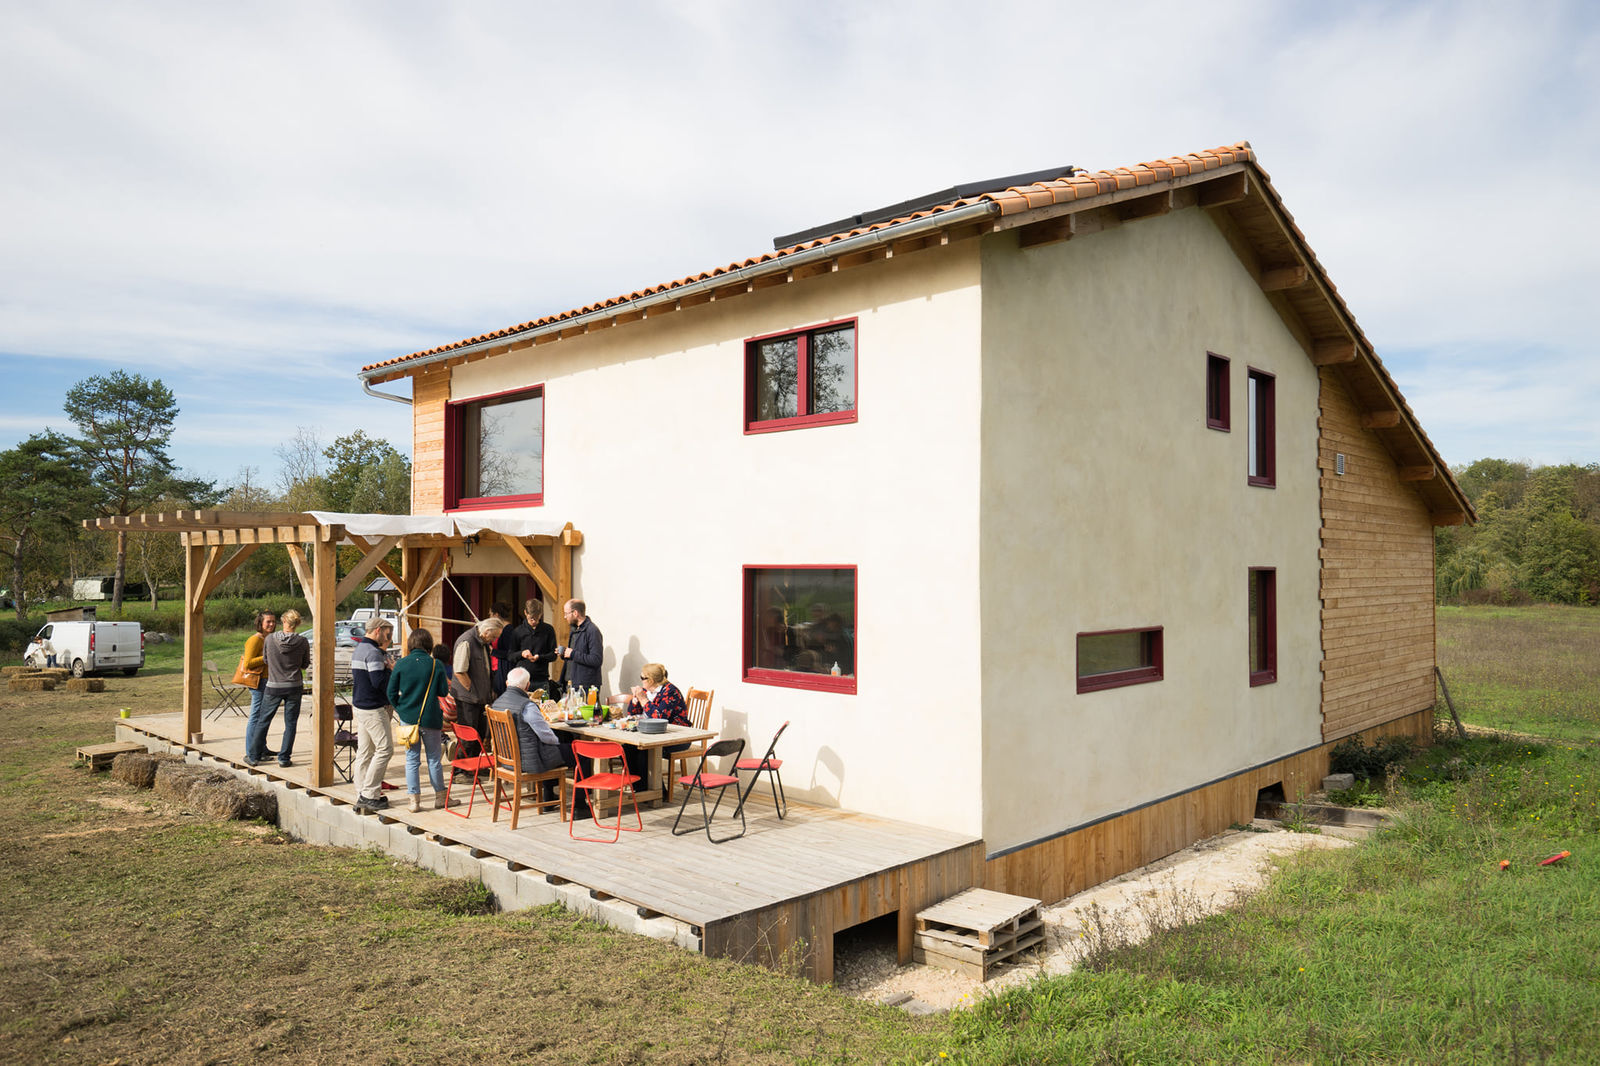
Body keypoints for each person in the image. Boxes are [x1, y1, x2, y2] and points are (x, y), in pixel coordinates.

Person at [491, 665, 586, 817]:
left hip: (507, 761)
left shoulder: (497, 703)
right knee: (580, 753)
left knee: (552, 750)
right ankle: (580, 806)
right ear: (528, 686)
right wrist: (557, 743)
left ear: (507, 684)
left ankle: (549, 797)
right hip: (530, 761)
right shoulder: (527, 706)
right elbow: (545, 735)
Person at [387, 627, 451, 811]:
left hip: (408, 720)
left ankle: (414, 801)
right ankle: (440, 797)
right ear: (429, 645)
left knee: (412, 760)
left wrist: (402, 709)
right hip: (431, 718)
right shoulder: (435, 664)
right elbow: (443, 691)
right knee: (433, 759)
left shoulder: (401, 664)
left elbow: (391, 693)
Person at [250, 608, 310, 767]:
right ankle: (284, 758)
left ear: (284, 622)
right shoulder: (303, 641)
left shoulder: (269, 640)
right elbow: (305, 664)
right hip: (294, 686)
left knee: (263, 721)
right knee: (290, 723)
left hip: (274, 686)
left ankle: (254, 756)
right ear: (297, 624)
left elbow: (265, 659)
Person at [350, 618, 396, 811]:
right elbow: (378, 682)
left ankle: (362, 792)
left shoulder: (360, 649)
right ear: (378, 631)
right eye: (388, 633)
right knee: (385, 749)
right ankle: (369, 794)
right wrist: (391, 670)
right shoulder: (374, 652)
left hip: (360, 705)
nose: (390, 637)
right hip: (373, 708)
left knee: (365, 751)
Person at [622, 662, 691, 788]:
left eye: (642, 678)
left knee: (645, 751)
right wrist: (635, 700)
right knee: (627, 748)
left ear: (651, 680)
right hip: (653, 735)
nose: (641, 681)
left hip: (677, 737)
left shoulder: (670, 692)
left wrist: (644, 700)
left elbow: (659, 718)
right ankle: (640, 788)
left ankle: (658, 791)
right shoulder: (647, 691)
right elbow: (632, 714)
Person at [449, 616, 504, 764]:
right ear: (486, 632)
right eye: (493, 637)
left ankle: (475, 765)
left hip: (479, 697)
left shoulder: (482, 643)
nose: (493, 640)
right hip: (468, 698)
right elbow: (459, 671)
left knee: (479, 733)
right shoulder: (467, 641)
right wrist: (471, 691)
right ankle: (462, 769)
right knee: (468, 734)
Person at [238, 608, 277, 757]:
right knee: (255, 717)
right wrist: (267, 656)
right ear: (260, 623)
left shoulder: (269, 638)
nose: (271, 624)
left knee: (263, 717)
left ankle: (261, 748)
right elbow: (248, 663)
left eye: (273, 621)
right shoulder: (255, 639)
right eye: (268, 621)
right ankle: (251, 752)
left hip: (267, 681)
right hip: (258, 682)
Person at [505, 597, 558, 697]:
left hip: (541, 679)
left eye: (536, 619)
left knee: (543, 709)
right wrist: (522, 653)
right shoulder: (517, 631)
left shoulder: (548, 630)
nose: (533, 621)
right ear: (525, 613)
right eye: (531, 618)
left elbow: (553, 655)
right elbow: (510, 656)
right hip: (521, 681)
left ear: (541, 615)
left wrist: (540, 657)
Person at [553, 599, 603, 701]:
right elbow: (576, 656)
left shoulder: (592, 631)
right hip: (571, 684)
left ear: (575, 613)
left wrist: (572, 654)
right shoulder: (575, 630)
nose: (564, 616)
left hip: (585, 687)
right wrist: (564, 653)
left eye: (566, 613)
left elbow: (597, 659)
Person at [489, 601, 517, 698]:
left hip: (503, 670)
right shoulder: (499, 629)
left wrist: (493, 651)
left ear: (496, 615)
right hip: (495, 669)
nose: (490, 618)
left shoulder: (508, 630)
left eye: (490, 615)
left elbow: (509, 654)